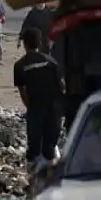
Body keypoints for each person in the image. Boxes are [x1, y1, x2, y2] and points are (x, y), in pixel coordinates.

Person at [14, 27, 64, 165]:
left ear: (24, 44)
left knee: (34, 149)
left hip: (36, 108)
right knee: (50, 147)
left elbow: (22, 91)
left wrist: (31, 108)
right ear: (40, 43)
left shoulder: (19, 65)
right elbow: (61, 85)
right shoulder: (51, 62)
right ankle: (50, 174)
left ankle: (33, 177)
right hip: (53, 108)